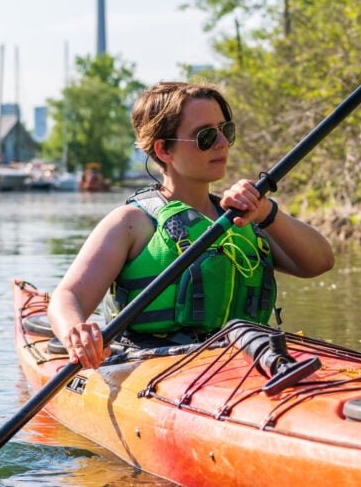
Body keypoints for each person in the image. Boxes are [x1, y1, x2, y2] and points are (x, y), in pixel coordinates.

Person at [48, 81, 335, 369]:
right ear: (164, 150)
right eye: (206, 136)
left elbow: (320, 262)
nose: (222, 143)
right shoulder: (132, 223)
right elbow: (68, 296)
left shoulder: (243, 217)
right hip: (153, 366)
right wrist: (75, 331)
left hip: (244, 363)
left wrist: (266, 212)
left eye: (227, 131)